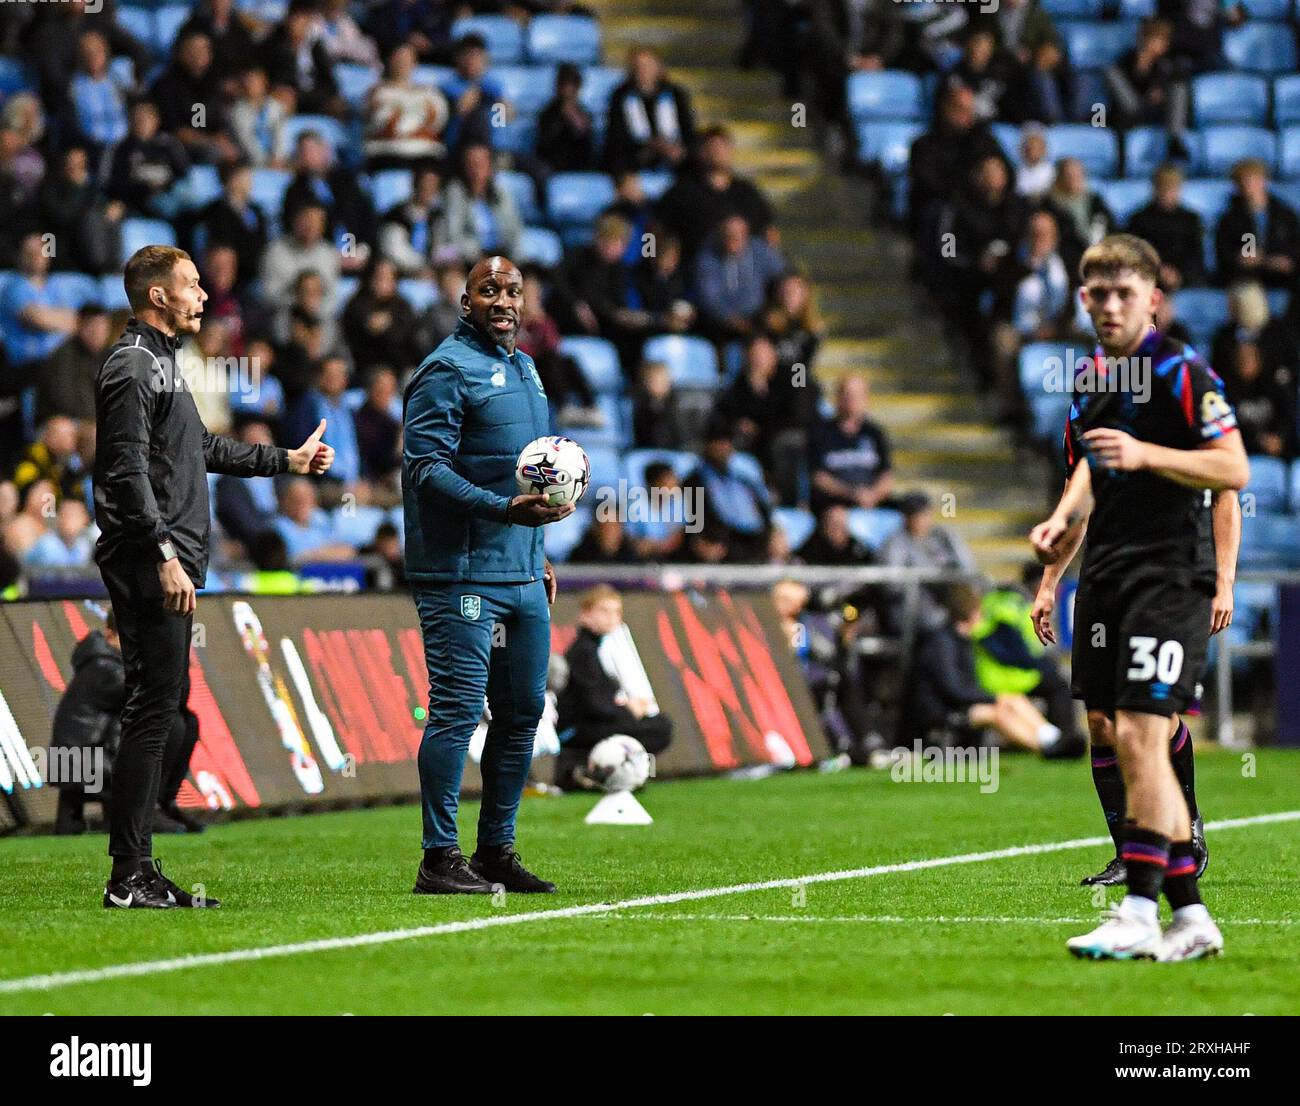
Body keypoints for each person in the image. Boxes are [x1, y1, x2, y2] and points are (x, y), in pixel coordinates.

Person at [93, 244, 335, 909]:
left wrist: (287, 458)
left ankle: (136, 868)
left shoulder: (165, 364)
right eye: (193, 286)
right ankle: (129, 875)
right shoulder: (132, 366)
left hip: (170, 556)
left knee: (158, 708)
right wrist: (164, 554)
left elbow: (200, 449)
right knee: (152, 710)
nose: (204, 296)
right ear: (158, 296)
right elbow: (124, 472)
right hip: (152, 561)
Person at [1029, 234, 1248, 961]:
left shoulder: (1183, 371)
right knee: (1109, 730)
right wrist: (1059, 535)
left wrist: (1220, 575)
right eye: (1098, 293)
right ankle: (1191, 918)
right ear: (1084, 299)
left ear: (1153, 298)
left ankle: (1136, 907)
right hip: (1109, 575)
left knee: (1140, 736)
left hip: (1168, 573)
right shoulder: (1092, 378)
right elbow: (1092, 465)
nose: (1111, 304)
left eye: (1126, 292)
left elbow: (1233, 469)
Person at [402, 255, 569, 895]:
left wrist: (537, 550)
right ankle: (438, 858)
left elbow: (526, 475)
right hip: (461, 571)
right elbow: (423, 469)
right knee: (456, 710)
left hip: (522, 571)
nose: (503, 300)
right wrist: (503, 512)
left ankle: (496, 850)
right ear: (465, 300)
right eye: (488, 289)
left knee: (524, 709)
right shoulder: (445, 370)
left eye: (513, 290)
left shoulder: (525, 367)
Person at [555, 585, 673, 789]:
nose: (611, 617)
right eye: (604, 611)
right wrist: (628, 709)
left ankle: (598, 771)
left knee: (657, 725)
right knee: (660, 728)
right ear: (585, 615)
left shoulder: (594, 648)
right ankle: (595, 771)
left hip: (591, 724)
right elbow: (594, 706)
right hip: (579, 730)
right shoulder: (583, 652)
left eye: (616, 612)